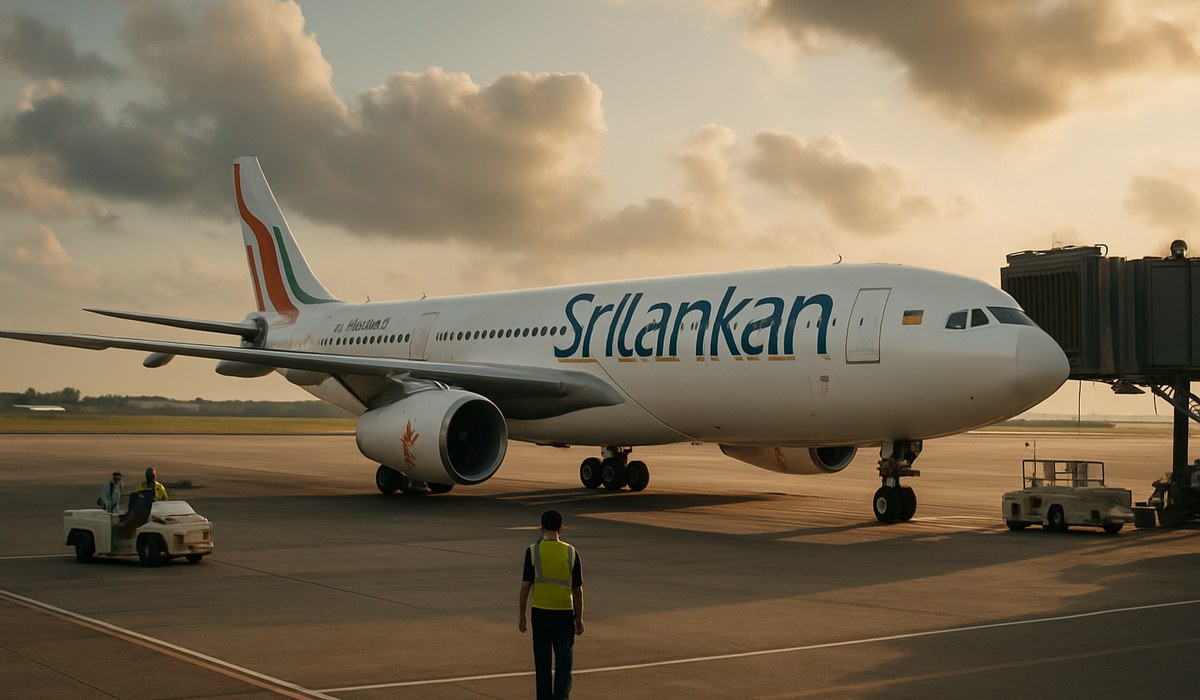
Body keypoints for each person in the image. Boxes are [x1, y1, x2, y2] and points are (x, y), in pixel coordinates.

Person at [519, 509, 584, 700]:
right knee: (564, 663)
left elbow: (525, 587)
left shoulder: (533, 551)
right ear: (562, 528)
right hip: (564, 613)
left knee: (542, 663)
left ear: (541, 528)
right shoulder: (571, 552)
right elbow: (578, 591)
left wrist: (522, 615)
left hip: (540, 613)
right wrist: (579, 618)